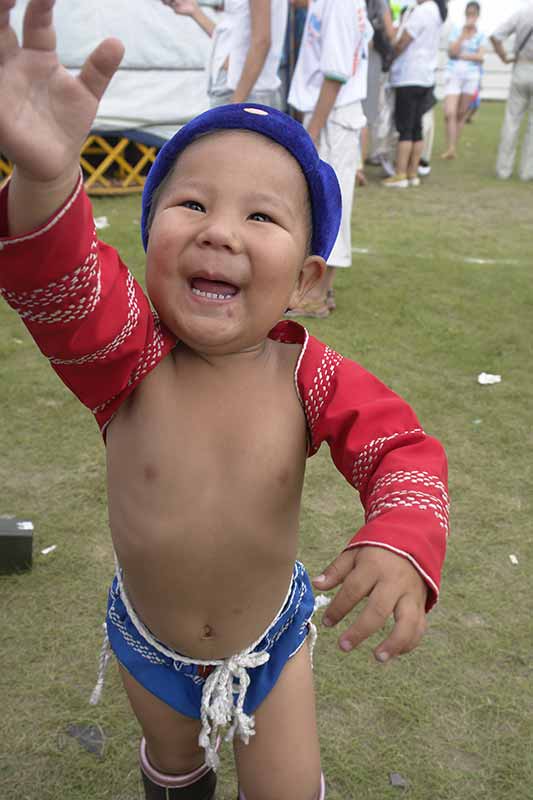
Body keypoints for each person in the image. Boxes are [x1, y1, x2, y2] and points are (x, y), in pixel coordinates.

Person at [0, 2, 449, 799]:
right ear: (149, 240)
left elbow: (400, 451)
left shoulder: (311, 375)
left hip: (268, 644)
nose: (221, 233)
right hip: (147, 641)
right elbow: (56, 282)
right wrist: (46, 177)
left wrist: (399, 538)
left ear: (307, 279)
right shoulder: (127, 358)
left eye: (262, 215)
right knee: (175, 769)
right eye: (192, 205)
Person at [287, 0, 373, 317]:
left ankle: (317, 295)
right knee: (326, 201)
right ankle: (320, 289)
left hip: (332, 117)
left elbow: (336, 72)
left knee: (330, 203)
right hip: (333, 115)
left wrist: (312, 130)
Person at [164, 0, 288, 108]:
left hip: (246, 94)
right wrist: (194, 11)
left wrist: (235, 104)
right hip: (237, 92)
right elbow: (234, 38)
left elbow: (262, 42)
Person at [383, 0, 445, 188]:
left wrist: (391, 57)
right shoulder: (437, 11)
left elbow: (403, 41)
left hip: (409, 75)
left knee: (405, 128)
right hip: (426, 76)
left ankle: (400, 173)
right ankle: (412, 173)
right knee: (416, 128)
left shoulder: (421, 12)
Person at [490, 2, 533, 181]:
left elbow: (495, 36)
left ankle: (503, 169)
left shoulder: (523, 12)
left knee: (511, 120)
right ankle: (527, 171)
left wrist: (504, 57)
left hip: (520, 67)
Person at [441, 1, 486, 160]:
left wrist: (461, 56)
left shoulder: (481, 35)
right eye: (468, 14)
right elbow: (451, 52)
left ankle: (452, 147)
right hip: (453, 73)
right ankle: (450, 146)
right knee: (449, 112)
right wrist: (462, 36)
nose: (470, 17)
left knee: (461, 114)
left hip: (471, 76)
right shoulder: (456, 31)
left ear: (478, 16)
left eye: (473, 14)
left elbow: (480, 57)